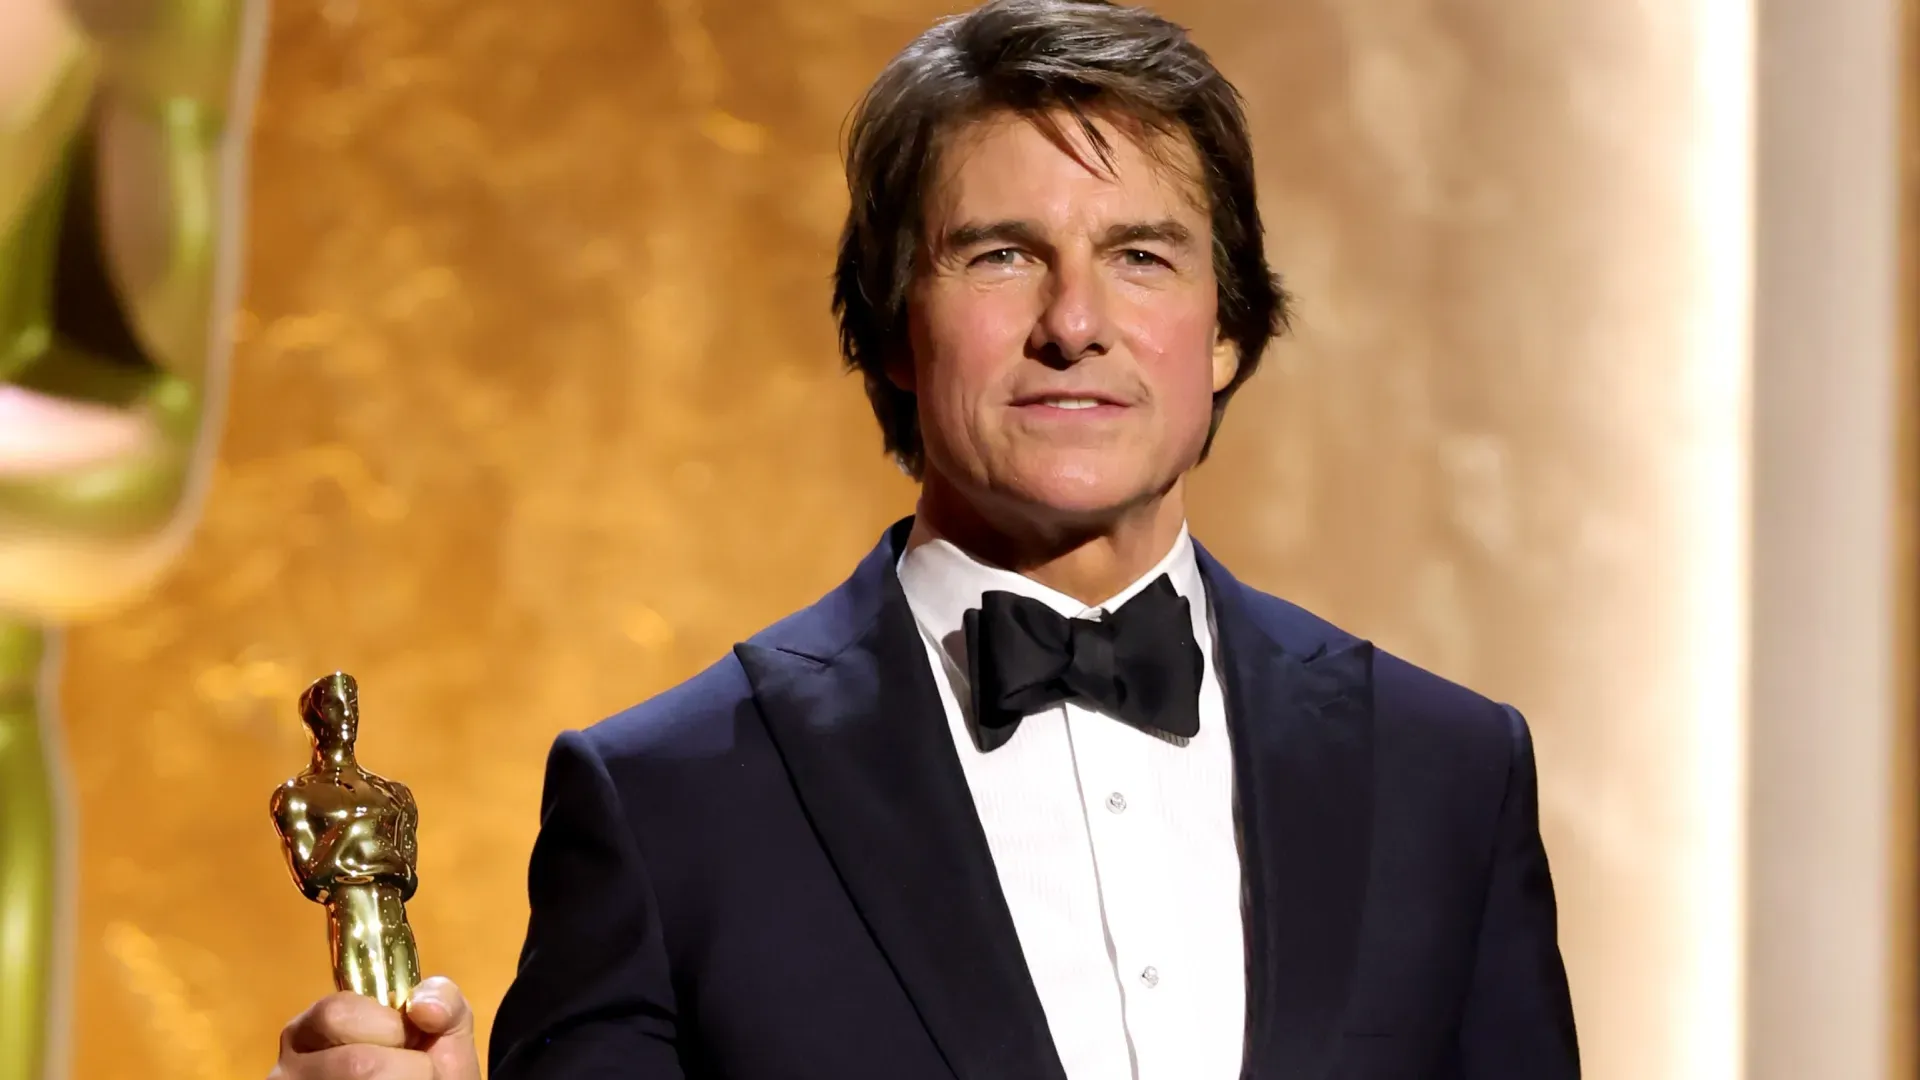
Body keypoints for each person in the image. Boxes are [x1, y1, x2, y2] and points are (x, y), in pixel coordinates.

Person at [269, 0, 1580, 1076]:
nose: (1077, 322)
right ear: (893, 327)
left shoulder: (1449, 780)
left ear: (1227, 328)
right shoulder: (670, 807)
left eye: (1142, 254)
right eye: (1002, 255)